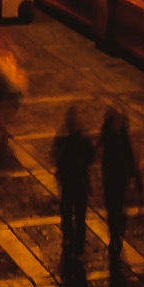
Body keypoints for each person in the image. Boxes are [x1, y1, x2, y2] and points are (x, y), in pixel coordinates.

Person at [98, 107, 143, 267]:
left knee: (119, 212)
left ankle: (117, 236)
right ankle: (115, 236)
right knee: (114, 211)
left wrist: (136, 180)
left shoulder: (120, 139)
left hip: (118, 180)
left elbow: (131, 161)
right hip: (112, 180)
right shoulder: (110, 138)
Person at [51, 106, 94, 266]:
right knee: (70, 213)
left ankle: (76, 246)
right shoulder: (67, 137)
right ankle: (71, 240)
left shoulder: (73, 137)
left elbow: (89, 155)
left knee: (77, 215)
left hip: (75, 180)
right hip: (71, 180)